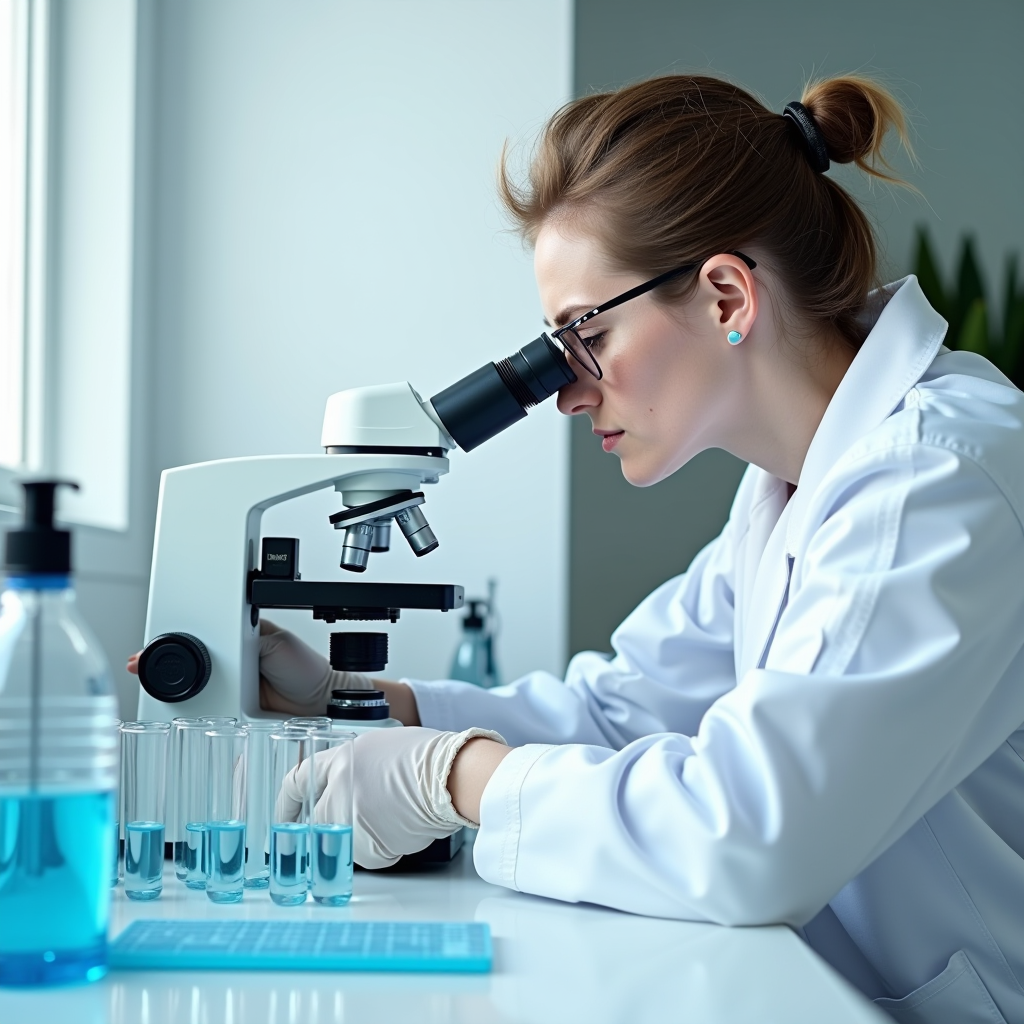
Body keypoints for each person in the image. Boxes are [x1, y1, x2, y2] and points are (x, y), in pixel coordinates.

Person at [131, 74, 1024, 1023]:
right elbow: (622, 708)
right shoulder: (793, 485)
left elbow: (751, 833)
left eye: (584, 336)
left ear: (726, 296)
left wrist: (455, 777)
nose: (565, 392)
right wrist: (373, 707)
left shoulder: (936, 478)